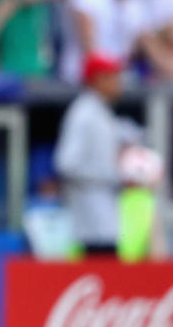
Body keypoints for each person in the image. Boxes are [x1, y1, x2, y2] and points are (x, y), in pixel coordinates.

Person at [53, 53, 137, 256]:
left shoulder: (100, 111)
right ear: (98, 80)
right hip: (90, 218)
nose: (119, 83)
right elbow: (66, 163)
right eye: (113, 77)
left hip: (105, 214)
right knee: (99, 271)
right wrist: (112, 177)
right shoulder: (83, 114)